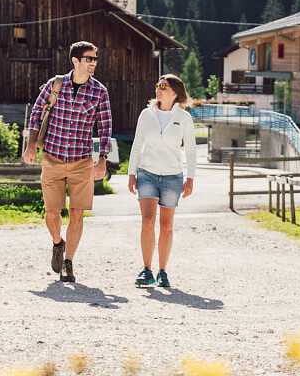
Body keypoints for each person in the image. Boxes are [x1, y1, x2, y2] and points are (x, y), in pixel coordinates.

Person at [24, 41, 112, 283]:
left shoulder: (99, 92)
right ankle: (57, 243)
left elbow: (105, 128)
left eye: (95, 59)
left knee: (77, 212)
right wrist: (31, 146)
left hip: (82, 161)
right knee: (52, 212)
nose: (93, 62)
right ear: (75, 61)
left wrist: (102, 160)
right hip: (52, 157)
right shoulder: (55, 85)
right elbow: (35, 114)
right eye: (89, 58)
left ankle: (68, 262)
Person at [127, 74, 197, 288]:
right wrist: (131, 173)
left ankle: (162, 272)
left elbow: (191, 149)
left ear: (174, 92)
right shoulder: (146, 114)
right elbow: (137, 145)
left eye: (163, 86)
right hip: (147, 173)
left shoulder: (184, 118)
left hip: (172, 177)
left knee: (166, 226)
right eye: (157, 85)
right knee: (147, 222)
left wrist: (190, 178)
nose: (158, 89)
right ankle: (146, 270)